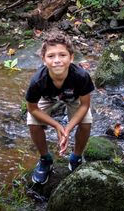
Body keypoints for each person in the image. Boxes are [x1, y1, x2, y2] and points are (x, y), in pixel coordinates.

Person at [25, 31, 94, 184]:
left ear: (71, 57)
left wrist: (67, 128)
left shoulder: (81, 76)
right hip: (47, 98)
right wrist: (56, 125)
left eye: (62, 55)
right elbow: (32, 108)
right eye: (51, 56)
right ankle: (45, 159)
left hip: (74, 98)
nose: (57, 60)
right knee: (32, 122)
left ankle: (76, 157)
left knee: (86, 122)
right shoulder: (38, 81)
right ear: (43, 59)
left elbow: (85, 105)